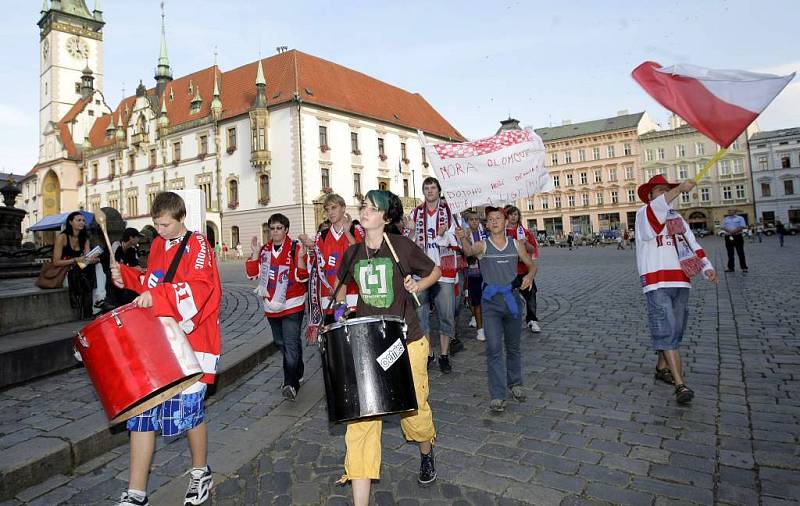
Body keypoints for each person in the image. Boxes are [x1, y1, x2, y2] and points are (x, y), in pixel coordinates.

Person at [109, 192, 222, 506]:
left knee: (189, 414)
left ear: (180, 218)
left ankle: (201, 473)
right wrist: (127, 276)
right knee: (142, 413)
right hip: (160, 341)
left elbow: (201, 287)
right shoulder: (159, 244)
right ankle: (136, 493)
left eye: (164, 224)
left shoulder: (198, 244)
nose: (158, 230)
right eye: (156, 224)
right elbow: (154, 281)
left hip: (194, 341)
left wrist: (157, 298)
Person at [334, 189, 441, 505]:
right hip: (369, 347)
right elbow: (339, 289)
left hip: (406, 343)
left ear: (386, 217)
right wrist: (343, 311)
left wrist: (417, 284)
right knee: (362, 424)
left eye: (372, 207)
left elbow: (434, 270)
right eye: (364, 206)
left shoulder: (402, 248)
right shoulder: (352, 253)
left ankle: (426, 450)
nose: (365, 211)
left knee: (415, 412)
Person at [635, 175, 718, 405]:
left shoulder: (678, 218)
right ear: (650, 195)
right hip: (657, 281)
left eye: (665, 190)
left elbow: (692, 243)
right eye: (658, 191)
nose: (663, 194)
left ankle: (662, 366)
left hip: (681, 280)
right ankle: (680, 384)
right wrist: (679, 189)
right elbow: (656, 214)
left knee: (677, 328)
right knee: (667, 328)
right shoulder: (644, 214)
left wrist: (706, 267)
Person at [458, 206, 536, 412]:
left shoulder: (516, 244)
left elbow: (532, 265)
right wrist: (464, 238)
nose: (494, 221)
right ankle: (497, 395)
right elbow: (468, 252)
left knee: (513, 347)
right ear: (487, 223)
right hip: (491, 304)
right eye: (490, 219)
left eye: (498, 218)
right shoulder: (483, 245)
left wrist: (529, 276)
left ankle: (515, 384)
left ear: (505, 222)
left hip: (511, 302)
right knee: (493, 349)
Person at [245, 214, 308, 400]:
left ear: (286, 230)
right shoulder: (264, 249)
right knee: (282, 342)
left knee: (289, 343)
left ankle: (290, 383)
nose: (275, 232)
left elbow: (303, 276)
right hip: (271, 305)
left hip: (292, 303)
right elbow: (252, 274)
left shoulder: (295, 247)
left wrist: (302, 260)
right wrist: (255, 254)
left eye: (279, 228)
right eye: (272, 228)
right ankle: (298, 366)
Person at [408, 176, 461, 373]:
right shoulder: (416, 213)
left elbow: (457, 239)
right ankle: (429, 352)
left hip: (444, 271)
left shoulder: (450, 212)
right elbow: (408, 242)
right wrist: (412, 231)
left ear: (439, 191)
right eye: (427, 188)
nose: (430, 191)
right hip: (421, 272)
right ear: (423, 192)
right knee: (421, 315)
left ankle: (444, 355)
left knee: (446, 314)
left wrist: (444, 235)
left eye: (433, 188)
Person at [298, 193, 363, 338]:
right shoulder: (322, 235)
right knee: (332, 343)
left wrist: (347, 233)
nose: (331, 212)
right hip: (328, 296)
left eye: (334, 207)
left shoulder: (355, 230)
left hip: (352, 293)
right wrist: (310, 248)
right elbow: (316, 268)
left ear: (343, 208)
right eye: (327, 209)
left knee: (353, 340)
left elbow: (361, 257)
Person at [52, 211, 98, 319]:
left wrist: (93, 259)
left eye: (83, 221)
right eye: (78, 220)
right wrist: (75, 260)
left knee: (93, 266)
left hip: (81, 270)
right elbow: (56, 262)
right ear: (70, 222)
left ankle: (87, 307)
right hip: (65, 271)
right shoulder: (62, 237)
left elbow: (86, 258)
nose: (82, 222)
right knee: (86, 272)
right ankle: (89, 309)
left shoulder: (84, 238)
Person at [504, 205, 541, 333]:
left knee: (531, 295)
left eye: (516, 214)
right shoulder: (502, 232)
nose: (513, 217)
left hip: (524, 270)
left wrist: (525, 243)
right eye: (511, 214)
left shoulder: (524, 232)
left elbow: (532, 250)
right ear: (506, 216)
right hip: (508, 271)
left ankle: (532, 320)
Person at [462, 210, 485, 341]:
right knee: (475, 300)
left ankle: (483, 326)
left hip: (486, 272)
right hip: (471, 273)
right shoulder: (465, 235)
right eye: (471, 219)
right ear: (467, 221)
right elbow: (464, 252)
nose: (474, 222)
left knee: (485, 301)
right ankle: (480, 329)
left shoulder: (484, 234)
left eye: (477, 219)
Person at [110, 227, 144, 306]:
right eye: (137, 237)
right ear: (131, 238)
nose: (139, 239)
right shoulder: (116, 245)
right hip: (111, 272)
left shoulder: (132, 249)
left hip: (123, 273)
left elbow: (136, 266)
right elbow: (115, 264)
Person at [721, 209, 748, 273]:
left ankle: (744, 267)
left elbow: (742, 226)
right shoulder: (725, 219)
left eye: (731, 210)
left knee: (740, 252)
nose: (730, 212)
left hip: (738, 236)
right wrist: (730, 231)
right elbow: (722, 227)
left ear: (735, 211)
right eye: (729, 211)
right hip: (728, 236)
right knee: (730, 253)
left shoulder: (740, 218)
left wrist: (734, 231)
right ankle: (730, 267)